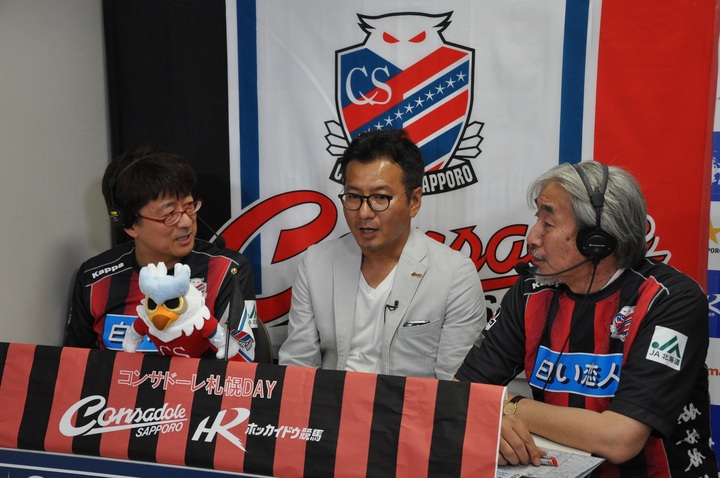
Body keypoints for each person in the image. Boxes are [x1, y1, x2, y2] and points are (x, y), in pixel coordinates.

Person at [455, 161, 717, 476]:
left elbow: (619, 439)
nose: (532, 238)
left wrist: (508, 406)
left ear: (597, 239)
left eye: (548, 223)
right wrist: (490, 418)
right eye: (537, 220)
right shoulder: (530, 292)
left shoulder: (669, 299)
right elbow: (459, 395)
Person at [278, 129, 486, 379]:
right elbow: (297, 368)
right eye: (353, 196)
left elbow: (456, 385)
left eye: (380, 197)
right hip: (331, 401)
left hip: (411, 403)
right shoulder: (316, 263)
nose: (364, 213)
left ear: (414, 201)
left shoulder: (454, 274)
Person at [64, 146, 256, 358]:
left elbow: (241, 363)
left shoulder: (227, 270)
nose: (186, 222)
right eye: (169, 214)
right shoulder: (94, 279)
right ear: (130, 225)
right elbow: (74, 365)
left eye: (189, 206)